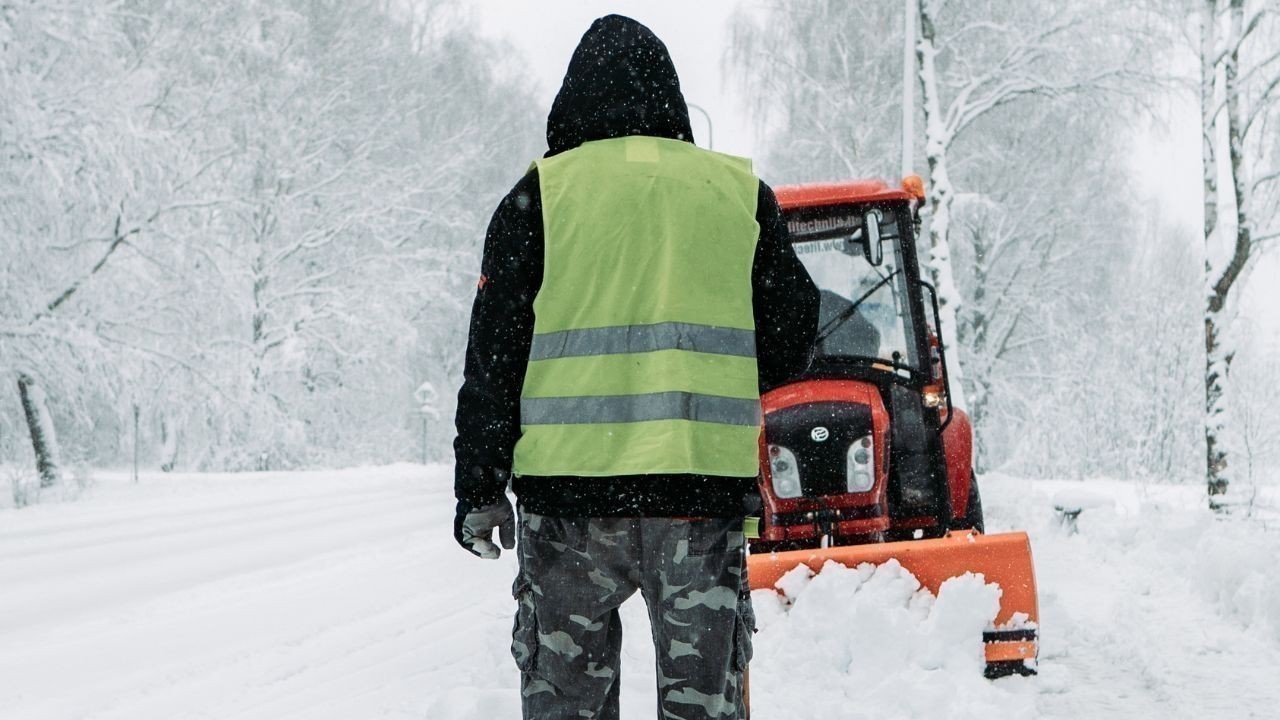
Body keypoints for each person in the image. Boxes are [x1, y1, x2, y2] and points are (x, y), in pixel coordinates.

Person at [452, 15, 819, 719]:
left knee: (567, 705)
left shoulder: (538, 200)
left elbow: (495, 358)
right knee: (703, 704)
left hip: (567, 511)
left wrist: (479, 487)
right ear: (671, 101)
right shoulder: (737, 196)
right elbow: (792, 338)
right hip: (697, 502)